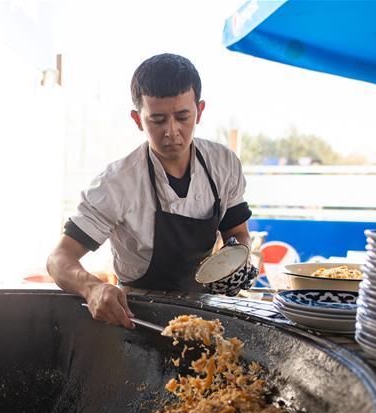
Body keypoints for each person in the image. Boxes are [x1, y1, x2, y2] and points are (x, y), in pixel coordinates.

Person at [46, 53, 255, 329]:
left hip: (206, 312)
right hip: (137, 317)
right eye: (157, 120)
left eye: (183, 117)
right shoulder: (116, 183)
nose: (171, 131)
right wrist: (92, 288)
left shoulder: (223, 164)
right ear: (137, 119)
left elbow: (238, 233)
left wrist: (237, 259)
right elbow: (58, 259)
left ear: (200, 111)